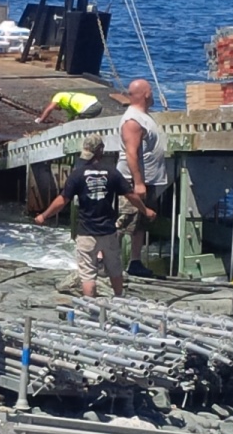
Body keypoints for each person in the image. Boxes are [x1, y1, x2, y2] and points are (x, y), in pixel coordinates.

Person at [34, 133, 126, 297]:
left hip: (86, 232)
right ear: (101, 151)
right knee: (115, 268)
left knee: (88, 274)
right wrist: (145, 209)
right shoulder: (112, 173)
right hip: (108, 230)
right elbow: (130, 193)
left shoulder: (77, 174)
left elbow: (62, 200)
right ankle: (119, 298)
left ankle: (90, 306)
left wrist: (44, 215)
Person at [114, 78, 168, 278]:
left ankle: (135, 262)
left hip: (148, 179)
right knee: (125, 220)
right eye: (151, 91)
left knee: (141, 223)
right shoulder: (132, 120)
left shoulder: (144, 117)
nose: (153, 94)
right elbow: (131, 153)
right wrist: (138, 182)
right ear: (146, 94)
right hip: (132, 180)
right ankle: (104, 259)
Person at [37, 90, 105, 123]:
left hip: (90, 106)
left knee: (78, 123)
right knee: (77, 121)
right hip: (98, 105)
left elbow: (49, 108)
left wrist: (41, 119)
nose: (56, 109)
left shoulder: (58, 95)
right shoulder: (70, 108)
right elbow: (71, 119)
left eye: (56, 107)